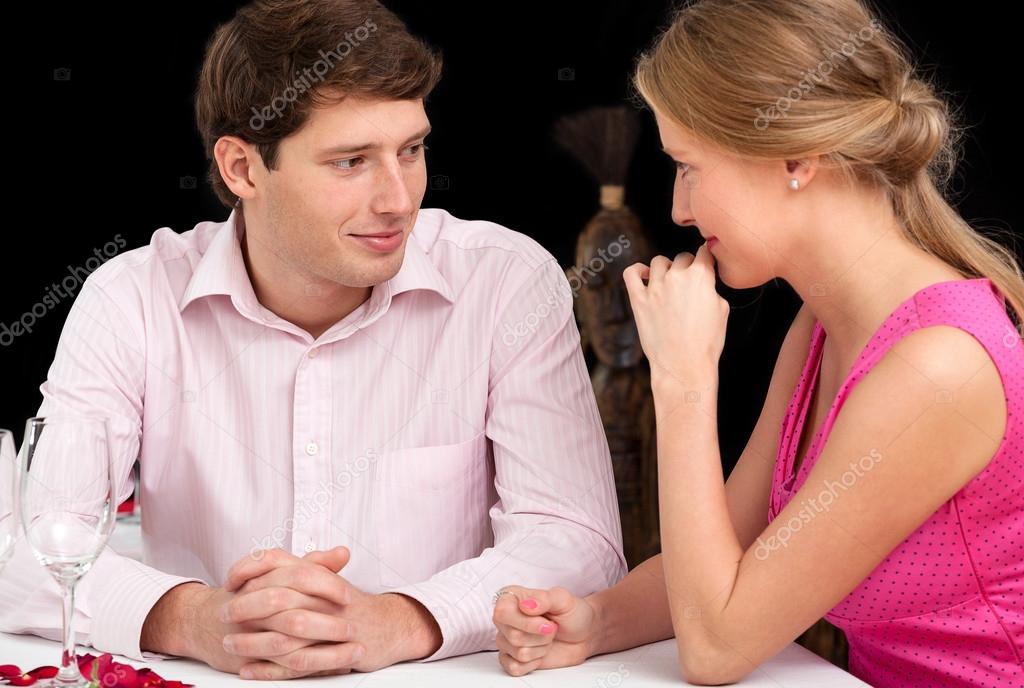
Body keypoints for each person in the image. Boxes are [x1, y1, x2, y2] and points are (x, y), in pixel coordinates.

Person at [0, 0, 628, 680]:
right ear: (242, 169)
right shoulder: (132, 300)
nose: (398, 199)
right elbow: (23, 547)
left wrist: (402, 618)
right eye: (351, 161)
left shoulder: (505, 282)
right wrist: (193, 619)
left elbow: (579, 542)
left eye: (411, 150)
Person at [492, 1, 1024, 685]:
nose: (679, 210)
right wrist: (598, 621)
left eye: (689, 167)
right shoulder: (822, 326)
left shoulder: (939, 367)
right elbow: (735, 552)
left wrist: (682, 381)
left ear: (795, 159)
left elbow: (717, 646)